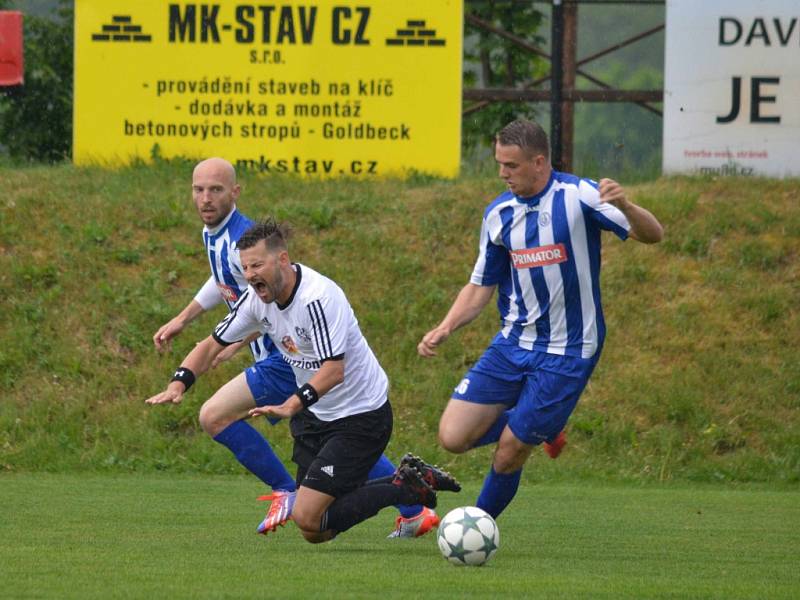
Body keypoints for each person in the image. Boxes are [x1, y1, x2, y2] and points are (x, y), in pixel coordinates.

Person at [150, 158, 437, 538]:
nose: (205, 197)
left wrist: (285, 395)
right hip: (307, 386)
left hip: (306, 375)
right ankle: (408, 500)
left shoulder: (303, 285)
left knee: (217, 417)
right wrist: (179, 380)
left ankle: (296, 491)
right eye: (198, 189)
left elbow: (333, 367)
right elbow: (217, 319)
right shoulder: (225, 248)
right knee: (318, 512)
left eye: (215, 189)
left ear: (235, 192)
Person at [418, 119, 663, 519]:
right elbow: (481, 285)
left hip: (569, 349)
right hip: (513, 344)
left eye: (511, 165)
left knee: (511, 448)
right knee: (452, 436)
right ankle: (541, 426)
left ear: (539, 162)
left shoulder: (579, 195)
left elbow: (654, 235)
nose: (502, 173)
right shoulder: (499, 214)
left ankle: (478, 526)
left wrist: (625, 206)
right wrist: (446, 327)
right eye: (499, 164)